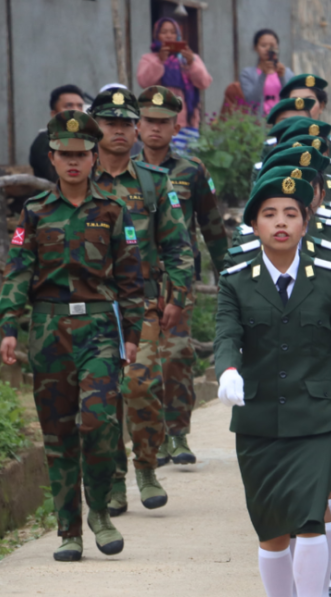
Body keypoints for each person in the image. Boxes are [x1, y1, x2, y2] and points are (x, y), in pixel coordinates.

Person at [214, 171, 331, 597]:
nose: (280, 222)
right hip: (259, 421)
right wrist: (227, 371)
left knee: (308, 521)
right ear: (254, 225)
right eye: (269, 214)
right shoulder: (237, 282)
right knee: (271, 528)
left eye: (291, 213)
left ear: (305, 222)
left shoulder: (329, 277)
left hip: (316, 419)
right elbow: (225, 337)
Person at [0, 111, 145, 562]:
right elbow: (19, 270)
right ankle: (68, 531)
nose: (74, 162)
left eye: (82, 154)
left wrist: (133, 333)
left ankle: (99, 512)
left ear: (94, 156)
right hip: (47, 330)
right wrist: (8, 326)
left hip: (100, 327)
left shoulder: (113, 210)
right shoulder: (35, 212)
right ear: (53, 158)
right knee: (58, 433)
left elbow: (131, 277)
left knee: (99, 423)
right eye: (65, 155)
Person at [89, 87, 194, 515]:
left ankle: (146, 466)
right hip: (91, 306)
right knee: (103, 398)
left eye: (125, 123)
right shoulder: (78, 178)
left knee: (140, 385)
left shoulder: (154, 183)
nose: (118, 130)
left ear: (136, 130)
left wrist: (177, 296)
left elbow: (178, 246)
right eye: (109, 123)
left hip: (142, 306)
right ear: (96, 127)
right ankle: (114, 480)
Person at [133, 86, 229, 465]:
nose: (156, 129)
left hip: (178, 279)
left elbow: (212, 226)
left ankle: (178, 434)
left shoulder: (192, 171)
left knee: (174, 356)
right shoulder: (124, 171)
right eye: (149, 122)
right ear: (138, 126)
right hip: (134, 283)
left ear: (176, 126)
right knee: (141, 364)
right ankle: (150, 440)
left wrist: (227, 275)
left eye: (164, 122)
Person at [136, 18, 212, 131]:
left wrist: (192, 63)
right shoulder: (149, 59)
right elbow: (143, 82)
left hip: (187, 123)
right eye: (164, 32)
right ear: (156, 35)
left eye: (173, 32)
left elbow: (204, 83)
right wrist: (160, 61)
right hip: (159, 121)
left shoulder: (190, 58)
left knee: (187, 148)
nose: (169, 36)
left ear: (178, 35)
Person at [29, 84, 86, 182]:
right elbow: (60, 179)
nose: (76, 111)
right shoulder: (45, 141)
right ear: (54, 114)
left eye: (80, 106)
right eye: (69, 105)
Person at [240, 29, 291, 117]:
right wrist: (263, 74)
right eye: (263, 45)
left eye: (272, 45)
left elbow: (291, 99)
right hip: (260, 125)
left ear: (277, 48)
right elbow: (251, 101)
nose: (268, 49)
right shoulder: (247, 74)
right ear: (255, 48)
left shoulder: (287, 73)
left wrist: (282, 77)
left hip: (283, 121)